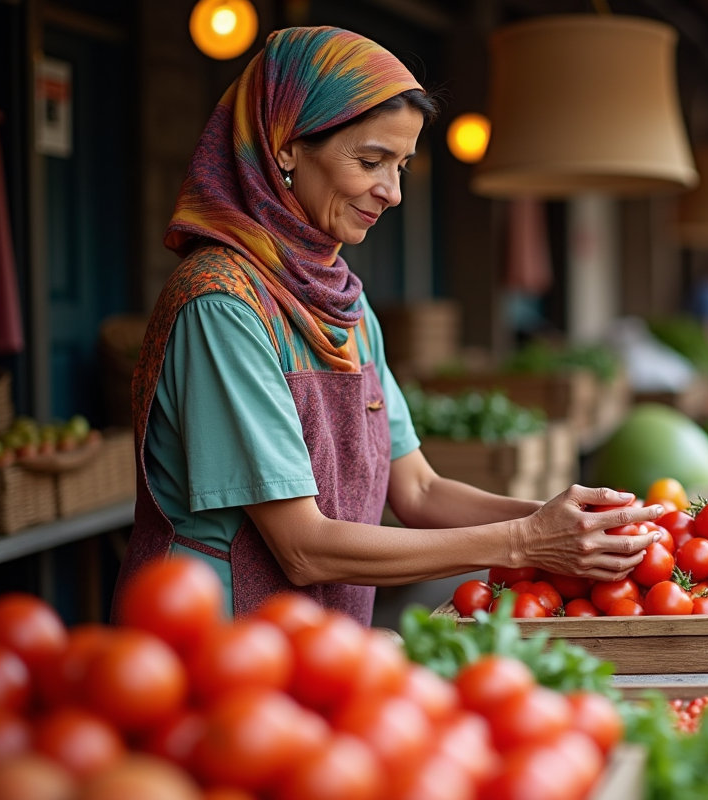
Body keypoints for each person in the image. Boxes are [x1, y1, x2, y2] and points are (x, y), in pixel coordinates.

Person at [111, 27, 662, 623]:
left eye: (401, 165)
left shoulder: (342, 300)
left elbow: (419, 491)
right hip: (209, 646)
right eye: (371, 160)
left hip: (314, 642)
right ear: (285, 146)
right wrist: (524, 540)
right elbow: (302, 547)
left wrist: (571, 523)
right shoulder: (221, 306)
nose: (393, 192)